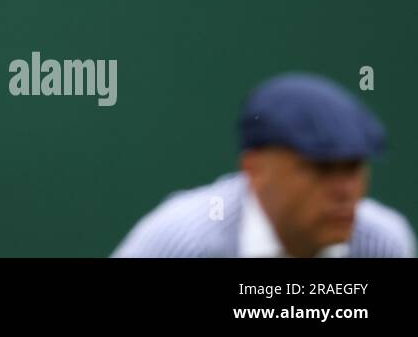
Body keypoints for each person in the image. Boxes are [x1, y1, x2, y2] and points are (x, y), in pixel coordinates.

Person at [112, 73, 415, 257]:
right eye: (321, 169)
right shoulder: (182, 243)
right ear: (254, 170)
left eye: (352, 167)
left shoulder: (383, 245)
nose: (345, 191)